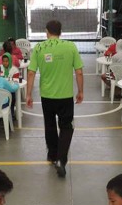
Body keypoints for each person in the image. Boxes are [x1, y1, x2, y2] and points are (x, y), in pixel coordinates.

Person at [26, 19, 84, 178]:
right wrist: (80, 91)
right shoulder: (71, 47)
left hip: (47, 96)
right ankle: (61, 159)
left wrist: (29, 94)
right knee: (67, 127)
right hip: (65, 96)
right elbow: (79, 72)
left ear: (47, 32)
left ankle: (52, 155)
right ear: (60, 32)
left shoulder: (38, 48)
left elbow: (31, 73)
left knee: (50, 125)